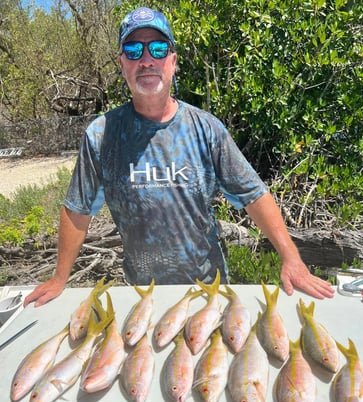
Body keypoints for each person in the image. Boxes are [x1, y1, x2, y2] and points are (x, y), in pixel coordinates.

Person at [25, 6, 334, 308]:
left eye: (158, 49)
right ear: (122, 64)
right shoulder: (101, 135)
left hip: (208, 293)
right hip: (142, 297)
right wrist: (59, 278)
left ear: (172, 61)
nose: (146, 60)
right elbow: (77, 210)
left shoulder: (206, 128)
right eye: (134, 50)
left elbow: (254, 195)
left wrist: (292, 259)